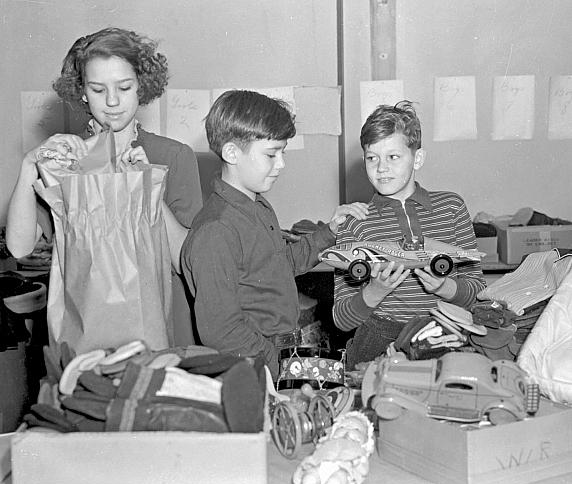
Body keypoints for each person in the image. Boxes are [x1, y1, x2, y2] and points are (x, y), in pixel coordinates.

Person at [6, 27, 201, 348]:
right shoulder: (67, 161)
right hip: (86, 327)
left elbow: (184, 260)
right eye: (98, 90)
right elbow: (19, 247)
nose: (112, 102)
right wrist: (30, 165)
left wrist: (141, 182)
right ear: (81, 91)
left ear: (142, 86)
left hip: (158, 328)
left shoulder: (173, 156)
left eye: (124, 87)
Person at [180, 90, 369, 379]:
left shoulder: (256, 206)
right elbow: (223, 331)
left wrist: (330, 232)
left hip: (280, 352)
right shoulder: (217, 231)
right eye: (271, 154)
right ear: (232, 152)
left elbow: (280, 266)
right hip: (256, 366)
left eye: (282, 153)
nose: (281, 164)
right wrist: (280, 367)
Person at [332, 100, 486, 369]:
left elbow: (478, 292)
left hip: (444, 332)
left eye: (393, 157)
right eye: (372, 158)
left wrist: (445, 287)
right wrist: (374, 291)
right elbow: (341, 319)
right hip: (378, 341)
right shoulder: (354, 222)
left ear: (418, 158)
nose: (381, 168)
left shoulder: (451, 207)